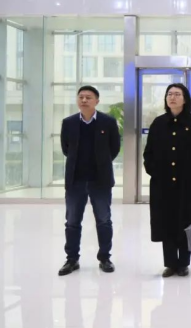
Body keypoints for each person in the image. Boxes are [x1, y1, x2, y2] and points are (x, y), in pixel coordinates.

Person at [143, 83, 191, 278]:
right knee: (166, 221)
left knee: (186, 220)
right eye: (169, 94)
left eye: (177, 94)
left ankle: (184, 263)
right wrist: (154, 172)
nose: (172, 97)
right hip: (162, 182)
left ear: (185, 99)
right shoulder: (158, 123)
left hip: (187, 182)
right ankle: (170, 263)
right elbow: (149, 152)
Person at [58, 85, 121, 276]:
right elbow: (66, 148)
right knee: (72, 222)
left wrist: (101, 163)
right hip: (75, 180)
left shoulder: (108, 122)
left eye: (88, 97)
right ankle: (72, 259)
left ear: (97, 101)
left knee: (104, 220)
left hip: (100, 180)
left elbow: (114, 148)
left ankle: (105, 258)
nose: (84, 100)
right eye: (81, 97)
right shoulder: (68, 122)